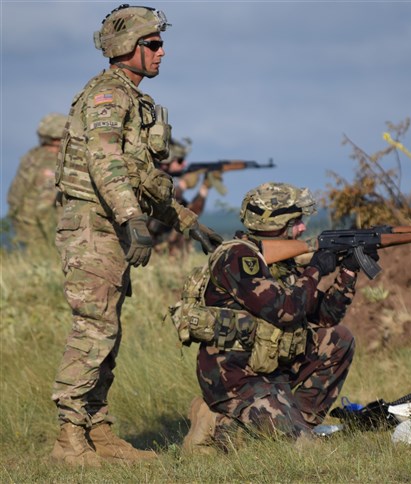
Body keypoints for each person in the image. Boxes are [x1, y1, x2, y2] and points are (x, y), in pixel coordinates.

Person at [51, 4, 222, 466]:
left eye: (160, 43)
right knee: (94, 326)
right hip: (93, 224)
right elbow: (104, 162)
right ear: (126, 48)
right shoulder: (109, 96)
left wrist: (187, 222)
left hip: (109, 225)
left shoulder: (135, 100)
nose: (162, 52)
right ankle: (69, 439)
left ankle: (99, 432)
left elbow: (140, 174)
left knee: (109, 327)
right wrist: (132, 219)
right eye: (153, 44)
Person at [181, 182, 365, 454]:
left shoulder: (282, 261)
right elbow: (285, 310)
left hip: (272, 370)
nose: (303, 227)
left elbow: (325, 317)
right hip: (235, 377)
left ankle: (299, 423)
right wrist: (315, 269)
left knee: (339, 339)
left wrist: (348, 272)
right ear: (275, 222)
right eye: (296, 221)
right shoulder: (237, 258)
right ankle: (214, 421)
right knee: (297, 449)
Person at [148, 137, 225, 256]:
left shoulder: (172, 186)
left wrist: (204, 189)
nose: (184, 164)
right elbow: (164, 204)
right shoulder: (150, 179)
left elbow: (191, 214)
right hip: (152, 250)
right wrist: (183, 186)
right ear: (165, 163)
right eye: (179, 160)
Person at [7, 113, 66, 246]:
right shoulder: (36, 158)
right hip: (35, 226)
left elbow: (14, 195)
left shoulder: (32, 157)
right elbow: (16, 194)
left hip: (37, 225)